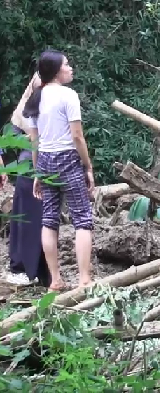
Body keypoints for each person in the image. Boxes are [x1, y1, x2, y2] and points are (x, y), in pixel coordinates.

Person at [22, 50, 95, 291]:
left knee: (49, 220)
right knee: (82, 218)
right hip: (67, 160)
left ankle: (56, 280)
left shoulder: (35, 99)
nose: (70, 68)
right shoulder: (68, 96)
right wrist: (88, 166)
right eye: (67, 64)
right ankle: (84, 279)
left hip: (45, 162)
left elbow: (34, 141)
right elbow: (77, 136)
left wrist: (37, 174)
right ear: (56, 71)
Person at [2, 73, 52, 287]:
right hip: (32, 170)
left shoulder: (55, 102)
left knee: (41, 220)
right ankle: (25, 269)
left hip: (45, 168)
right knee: (31, 220)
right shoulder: (30, 105)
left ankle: (36, 270)